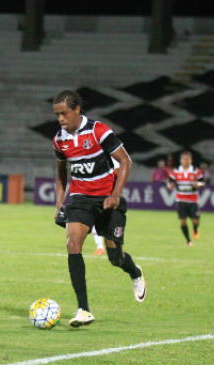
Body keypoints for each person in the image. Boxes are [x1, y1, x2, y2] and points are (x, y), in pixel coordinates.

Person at [52, 90, 146, 328]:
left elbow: (126, 161)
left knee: (115, 258)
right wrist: (59, 203)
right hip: (81, 198)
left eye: (64, 113)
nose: (61, 119)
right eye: (57, 115)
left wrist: (115, 194)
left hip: (107, 199)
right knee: (72, 243)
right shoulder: (59, 140)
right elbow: (62, 175)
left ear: (76, 110)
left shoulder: (99, 131)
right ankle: (83, 309)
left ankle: (134, 271)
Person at [167, 151, 204, 246]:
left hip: (193, 200)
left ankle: (195, 229)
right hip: (181, 200)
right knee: (183, 221)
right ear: (181, 160)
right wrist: (170, 186)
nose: (186, 161)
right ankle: (188, 240)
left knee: (195, 221)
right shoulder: (175, 171)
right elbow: (170, 182)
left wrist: (198, 184)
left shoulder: (196, 171)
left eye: (187, 159)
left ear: (191, 160)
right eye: (184, 159)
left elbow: (202, 182)